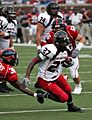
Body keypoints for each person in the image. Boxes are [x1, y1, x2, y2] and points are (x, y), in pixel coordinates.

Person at [23, 30, 83, 112]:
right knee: (63, 98)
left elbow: (62, 62)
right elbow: (33, 62)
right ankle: (43, 94)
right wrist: (27, 77)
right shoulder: (50, 49)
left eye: (66, 41)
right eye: (64, 42)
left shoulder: (65, 50)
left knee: (68, 89)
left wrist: (68, 62)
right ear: (58, 43)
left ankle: (71, 106)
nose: (66, 44)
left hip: (56, 75)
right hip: (45, 79)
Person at [41, 18, 86, 95]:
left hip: (71, 55)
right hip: (59, 56)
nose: (57, 30)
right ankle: (64, 78)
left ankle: (78, 86)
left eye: (59, 28)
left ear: (63, 27)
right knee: (55, 74)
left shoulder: (70, 30)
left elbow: (82, 38)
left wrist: (77, 49)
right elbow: (47, 45)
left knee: (73, 73)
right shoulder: (51, 35)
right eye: (55, 28)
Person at [0, 6, 17, 92]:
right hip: (0, 44)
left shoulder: (14, 22)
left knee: (8, 63)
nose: (12, 16)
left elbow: (10, 36)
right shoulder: (2, 20)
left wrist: (12, 48)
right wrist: (5, 34)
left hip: (6, 45)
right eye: (10, 14)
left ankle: (4, 84)